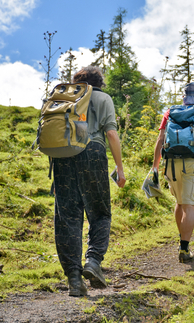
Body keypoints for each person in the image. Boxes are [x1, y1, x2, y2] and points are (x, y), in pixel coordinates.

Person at [52, 66, 126, 297]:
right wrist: (120, 168)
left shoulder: (65, 97)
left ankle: (74, 279)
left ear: (77, 81)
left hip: (62, 156)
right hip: (92, 151)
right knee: (100, 212)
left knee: (67, 218)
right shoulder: (103, 98)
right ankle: (93, 262)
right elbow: (112, 134)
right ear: (98, 82)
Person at [152, 82, 194, 263]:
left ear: (183, 97)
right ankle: (184, 248)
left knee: (179, 203)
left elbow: (160, 139)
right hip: (192, 163)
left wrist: (155, 166)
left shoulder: (169, 113)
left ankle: (182, 241)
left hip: (170, 162)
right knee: (189, 206)